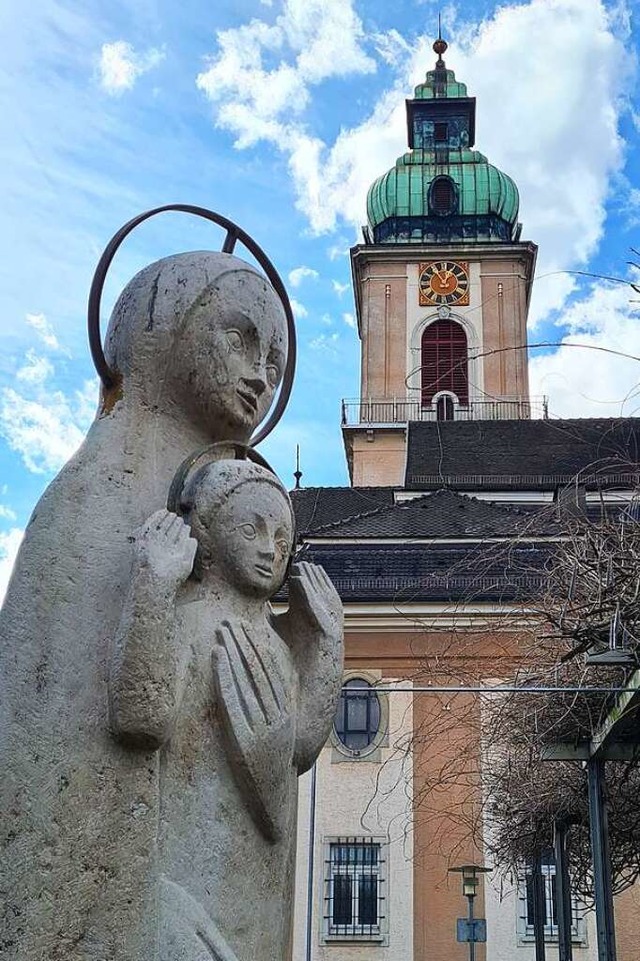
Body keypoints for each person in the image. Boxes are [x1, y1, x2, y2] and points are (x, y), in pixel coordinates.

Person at [0, 252, 291, 959]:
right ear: (172, 330)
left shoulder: (244, 501)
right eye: (241, 338)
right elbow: (46, 752)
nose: (260, 373)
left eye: (276, 362)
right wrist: (127, 901)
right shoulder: (96, 493)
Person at [109, 456, 343, 960]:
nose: (270, 551)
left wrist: (328, 648)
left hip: (259, 873)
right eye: (252, 530)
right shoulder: (190, 623)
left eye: (282, 541)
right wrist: (153, 583)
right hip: (187, 867)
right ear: (209, 534)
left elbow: (300, 750)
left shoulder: (278, 649)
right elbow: (140, 717)